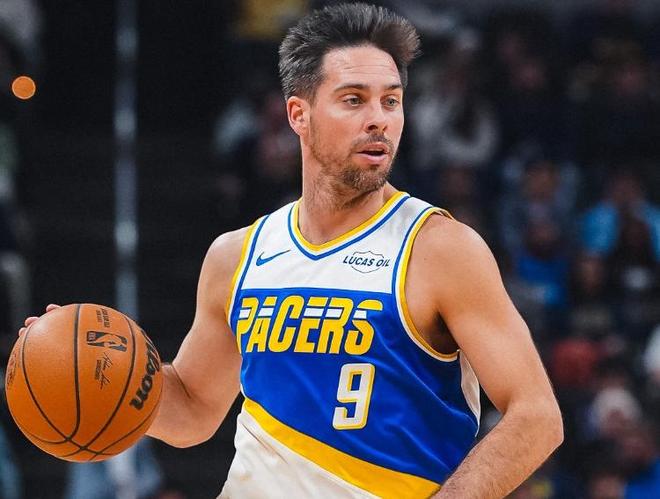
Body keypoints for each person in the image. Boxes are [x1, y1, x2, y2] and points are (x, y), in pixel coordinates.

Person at [22, 3, 563, 497]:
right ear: (298, 114)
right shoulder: (236, 255)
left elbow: (537, 415)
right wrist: (93, 366)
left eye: (391, 100)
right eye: (353, 99)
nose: (379, 118)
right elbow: (193, 410)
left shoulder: (439, 248)